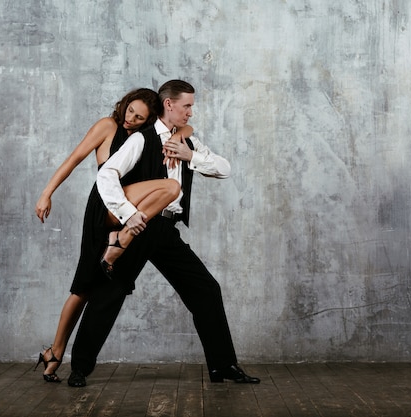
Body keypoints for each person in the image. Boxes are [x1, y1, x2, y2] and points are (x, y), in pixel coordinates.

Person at [66, 80, 260, 387]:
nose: (190, 113)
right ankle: (79, 368)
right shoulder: (142, 139)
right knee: (109, 293)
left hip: (166, 229)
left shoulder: (185, 142)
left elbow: (225, 169)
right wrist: (129, 216)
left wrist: (189, 156)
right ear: (169, 104)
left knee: (206, 289)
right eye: (187, 106)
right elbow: (107, 174)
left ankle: (222, 366)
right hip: (140, 225)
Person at [34, 88, 193, 382]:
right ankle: (56, 350)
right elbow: (73, 159)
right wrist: (47, 194)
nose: (131, 119)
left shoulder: (144, 135)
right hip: (105, 208)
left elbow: (184, 125)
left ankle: (56, 356)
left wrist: (179, 135)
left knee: (98, 285)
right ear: (124, 104)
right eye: (130, 111)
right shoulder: (107, 126)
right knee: (83, 286)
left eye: (140, 117)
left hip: (128, 210)